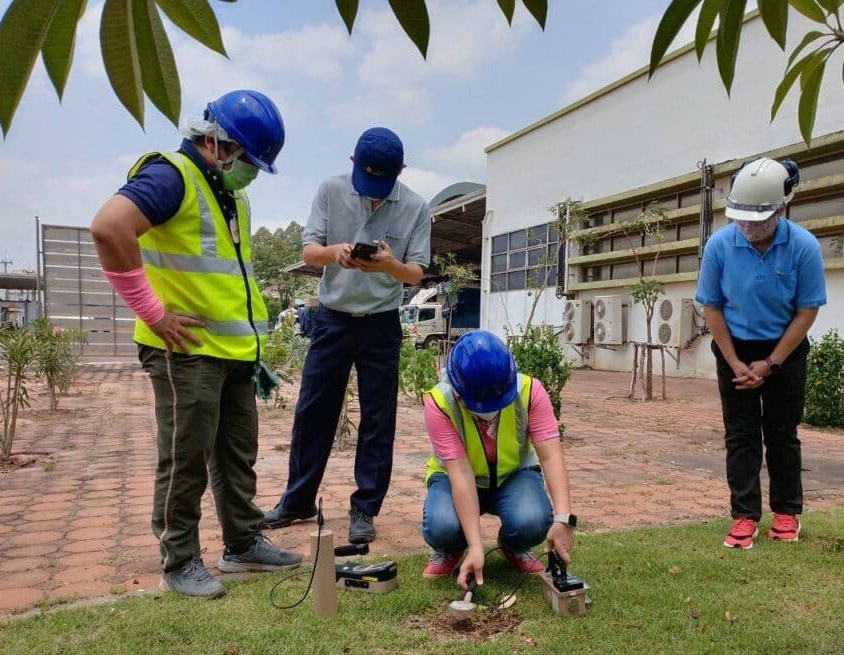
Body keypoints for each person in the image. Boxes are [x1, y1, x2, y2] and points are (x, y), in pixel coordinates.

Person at [90, 90, 302, 598]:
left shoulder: (233, 194)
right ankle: (180, 558)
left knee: (236, 454)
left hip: (232, 353)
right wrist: (153, 313)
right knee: (185, 457)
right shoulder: (171, 176)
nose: (251, 171)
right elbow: (108, 227)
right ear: (215, 141)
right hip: (184, 352)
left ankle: (243, 542)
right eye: (248, 159)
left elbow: (230, 277)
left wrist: (253, 348)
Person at [262, 128, 430, 543]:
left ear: (400, 171)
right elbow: (307, 250)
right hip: (332, 318)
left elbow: (417, 271)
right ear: (352, 163)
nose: (374, 196)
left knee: (378, 417)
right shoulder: (330, 191)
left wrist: (390, 266)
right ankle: (297, 500)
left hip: (381, 322)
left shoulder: (415, 206)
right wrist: (334, 252)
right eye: (367, 183)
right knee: (313, 410)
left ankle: (365, 508)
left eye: (382, 186)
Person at [694, 157, 827, 550]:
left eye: (758, 220)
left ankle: (786, 512)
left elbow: (807, 311)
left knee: (782, 433)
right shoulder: (719, 245)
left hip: (785, 348)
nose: (748, 228)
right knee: (741, 434)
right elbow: (712, 307)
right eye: (741, 219)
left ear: (782, 209)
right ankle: (744, 516)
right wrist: (734, 361)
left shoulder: (803, 247)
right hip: (733, 347)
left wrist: (771, 364)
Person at [420, 330, 576, 589]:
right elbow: (460, 473)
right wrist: (476, 546)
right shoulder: (439, 403)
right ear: (457, 391)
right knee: (442, 526)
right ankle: (452, 549)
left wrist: (563, 519)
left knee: (533, 520)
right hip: (455, 480)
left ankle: (513, 546)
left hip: (513, 477)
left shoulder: (529, 391)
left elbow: (550, 456)